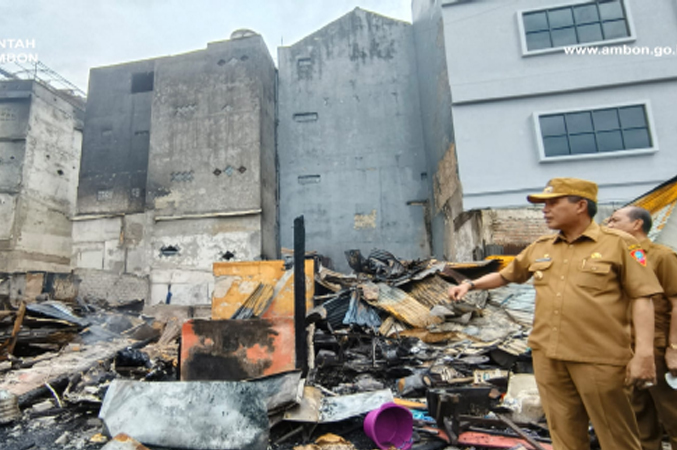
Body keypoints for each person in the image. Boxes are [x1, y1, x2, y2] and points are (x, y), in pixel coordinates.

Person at [448, 178, 663, 450]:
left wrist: (644, 354)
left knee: (616, 437)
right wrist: (470, 284)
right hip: (549, 357)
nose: (545, 210)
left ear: (581, 205)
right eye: (544, 204)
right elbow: (506, 275)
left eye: (552, 203)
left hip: (599, 358)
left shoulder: (620, 245)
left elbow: (643, 297)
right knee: (564, 436)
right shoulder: (542, 246)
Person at [607, 206, 677, 450]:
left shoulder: (661, 257)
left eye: (615, 220)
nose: (608, 225)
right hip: (626, 348)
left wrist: (674, 348)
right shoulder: (616, 259)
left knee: (672, 413)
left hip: (657, 349)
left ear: (637, 224)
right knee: (639, 419)